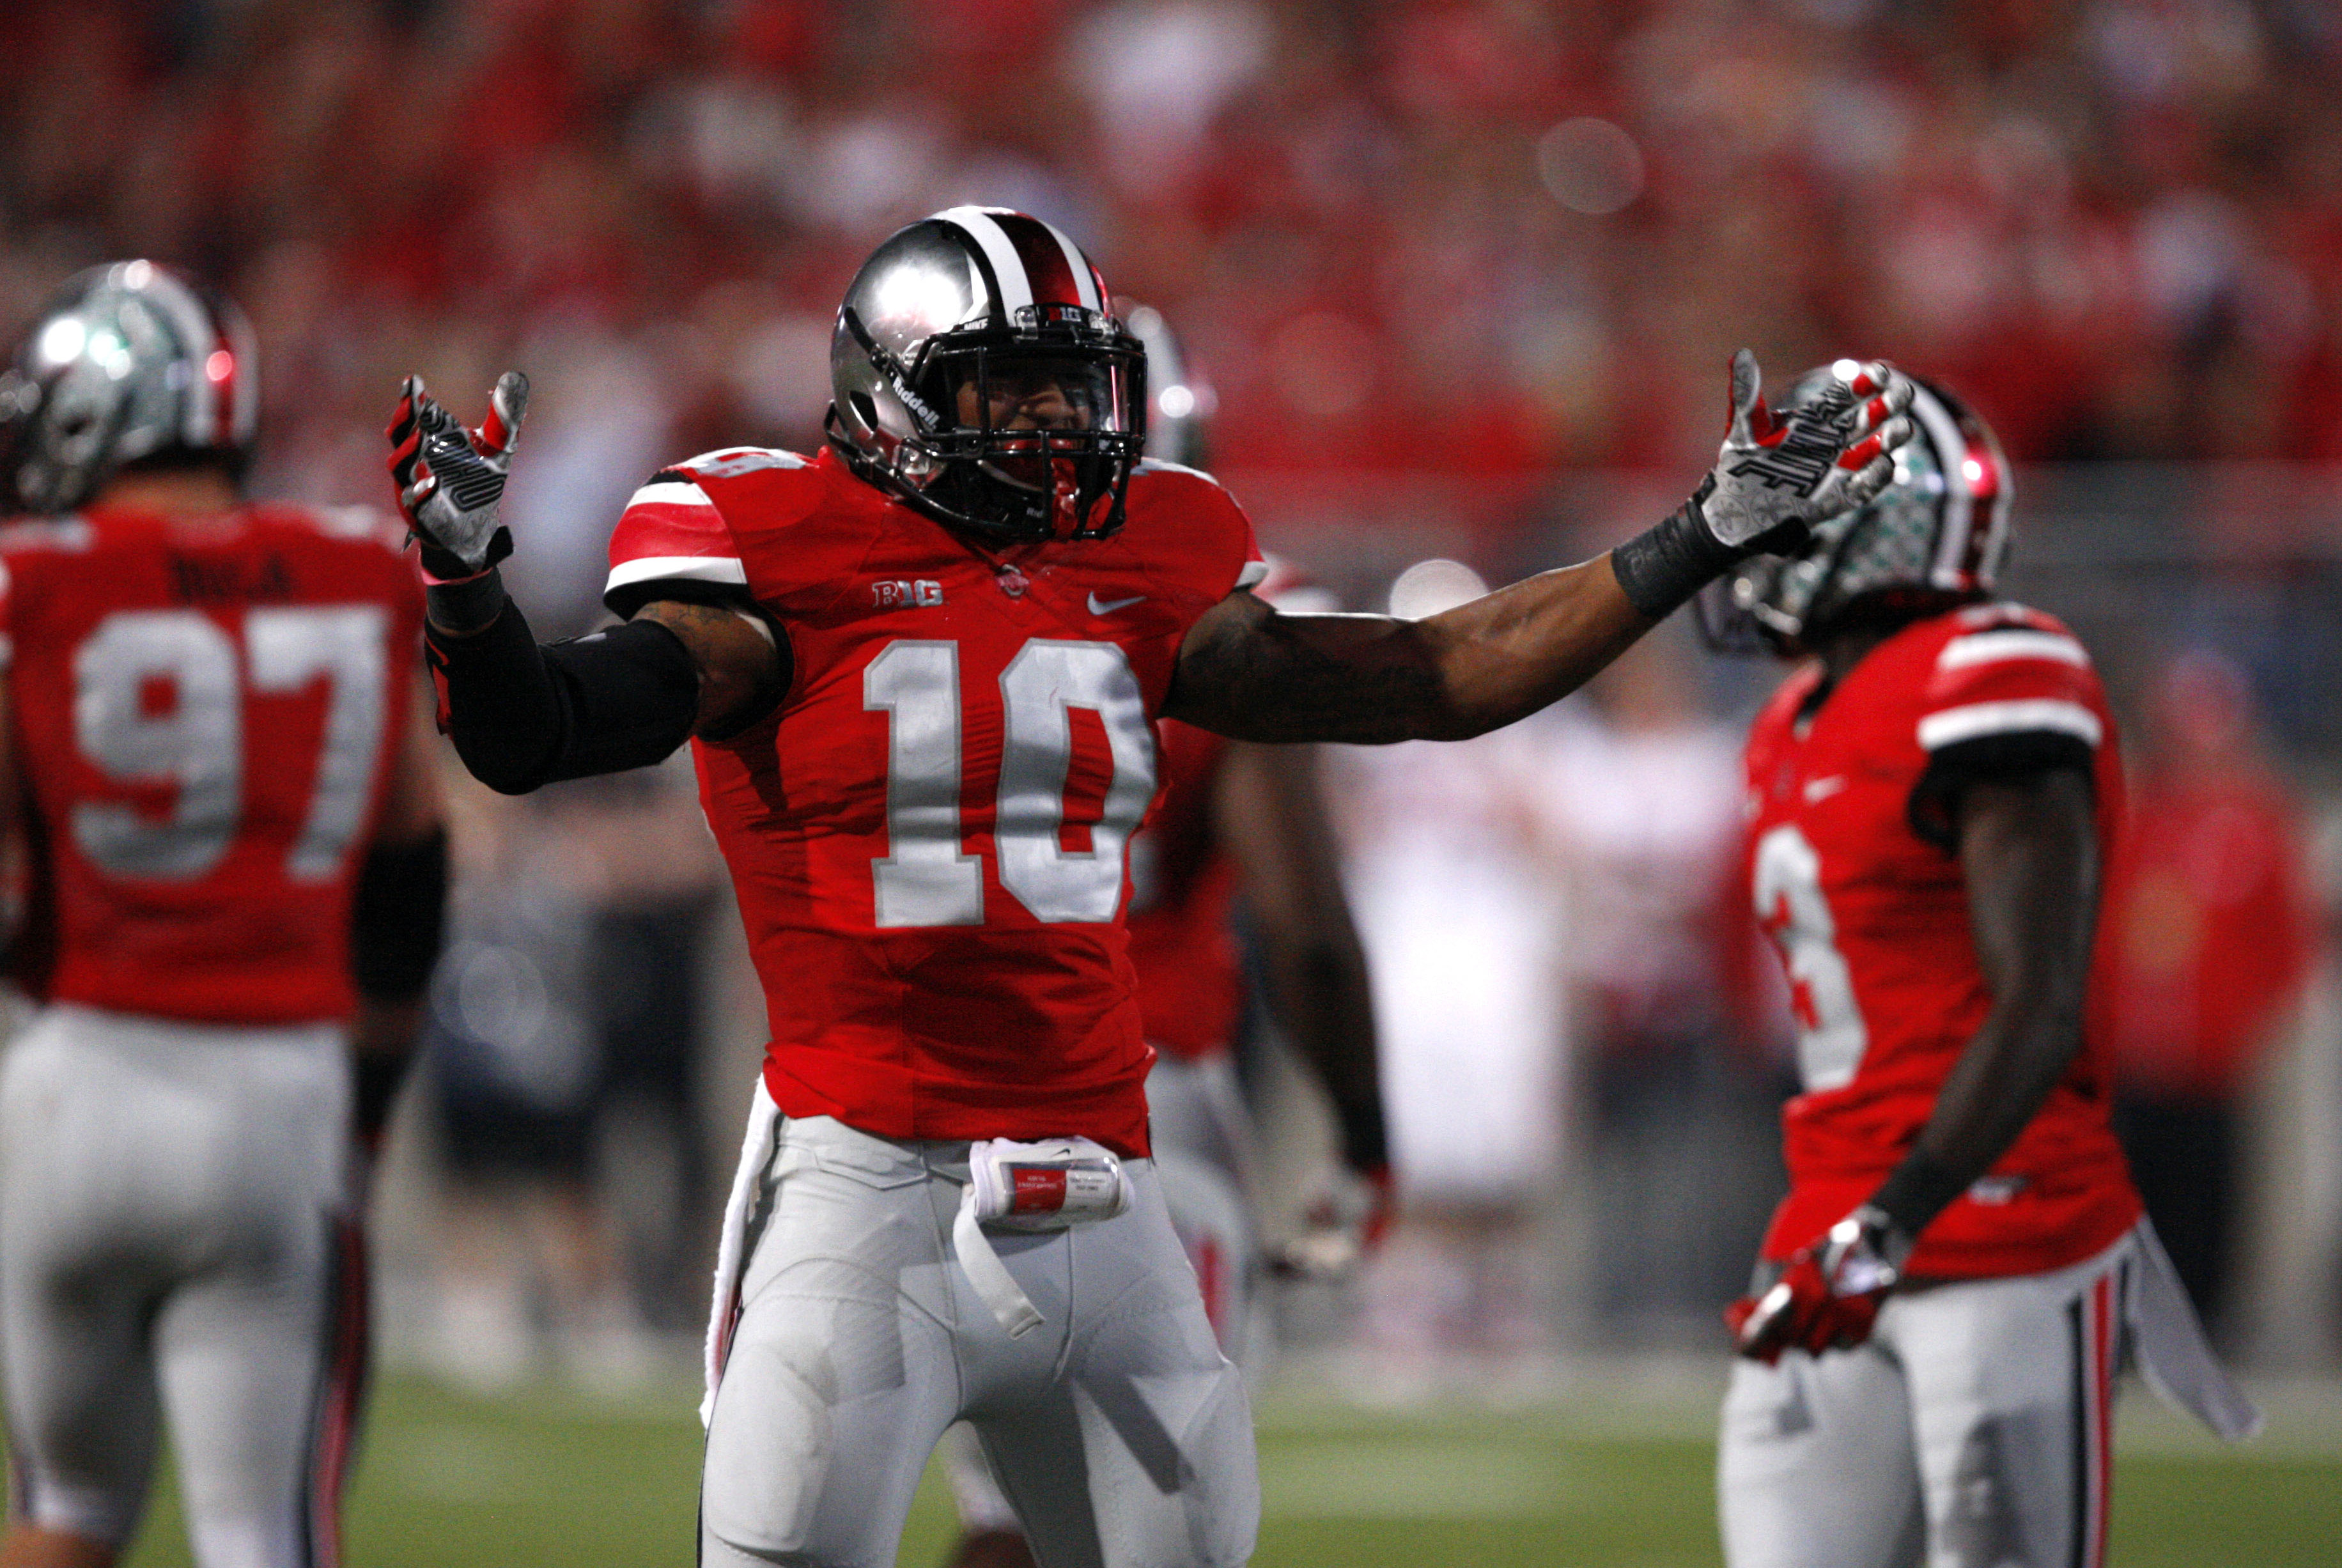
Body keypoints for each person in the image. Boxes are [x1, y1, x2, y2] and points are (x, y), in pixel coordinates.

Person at [389, 205, 1911, 1568]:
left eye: (1074, 376)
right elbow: (547, 732)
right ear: (895, 392)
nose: (1063, 416)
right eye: (1017, 380)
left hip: (1107, 1185)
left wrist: (1703, 534)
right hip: (866, 1181)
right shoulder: (770, 542)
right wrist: (467, 591)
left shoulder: (1149, 555)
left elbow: (1432, 674)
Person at [1703, 371, 2260, 1568]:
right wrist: (1845, 1234)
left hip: (1999, 1227)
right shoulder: (1790, 715)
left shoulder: (1992, 666)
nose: (1751, 527)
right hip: (1825, 1218)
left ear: (1868, 522)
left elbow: (2038, 1003)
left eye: (1784, 500)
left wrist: (1884, 1230)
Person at [0, 262, 447, 1568]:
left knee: (67, 1511)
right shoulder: (358, 570)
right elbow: (410, 875)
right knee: (266, 1531)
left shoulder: (33, 581)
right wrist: (367, 1102)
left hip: (69, 1082)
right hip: (275, 1092)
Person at [934, 307, 1387, 1568]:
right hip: (1147, 1110)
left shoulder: (914, 600)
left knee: (1000, 1518)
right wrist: (1363, 1132)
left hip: (949, 1106)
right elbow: (1306, 926)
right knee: (1155, 1530)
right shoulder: (1221, 609)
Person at [2095, 648, 2316, 1344]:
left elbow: (2284, 943)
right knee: (2132, 1196)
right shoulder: (2132, 817)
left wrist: (2244, 1026)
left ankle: (2202, 1326)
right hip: (2131, 1059)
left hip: (2211, 1062)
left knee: (2210, 1196)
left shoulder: (2255, 823)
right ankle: (2132, 1325)